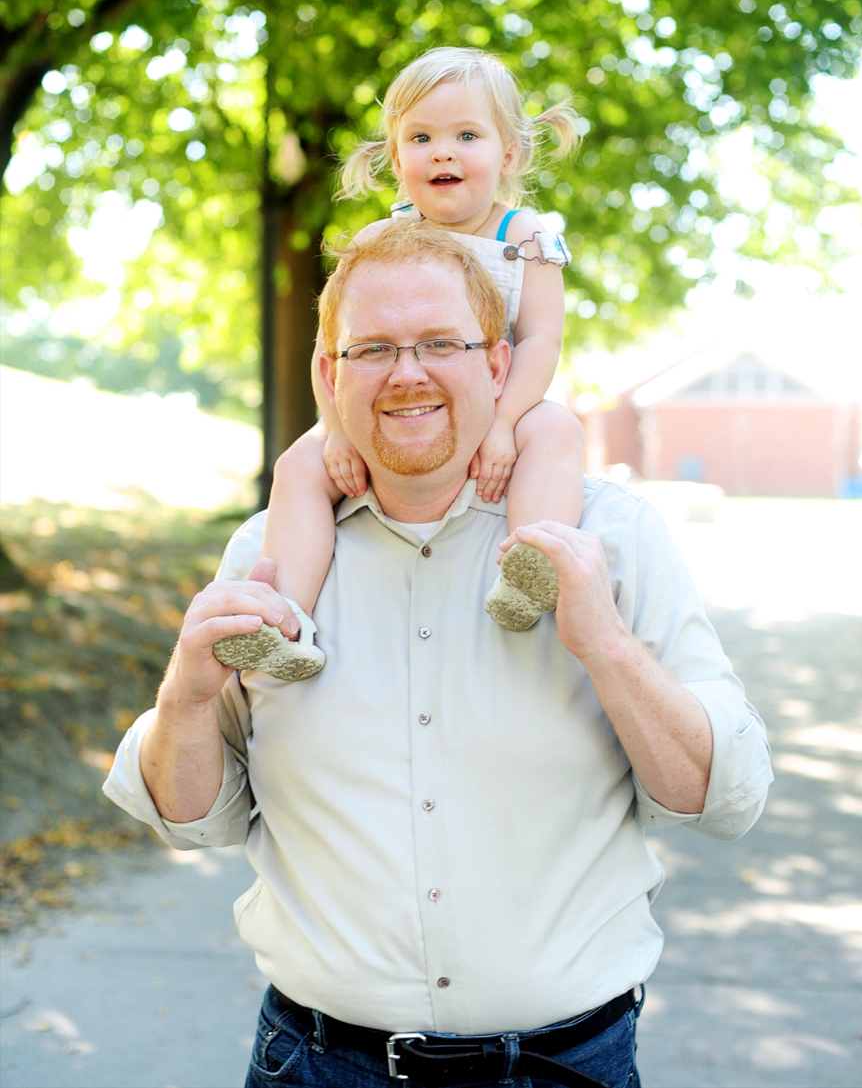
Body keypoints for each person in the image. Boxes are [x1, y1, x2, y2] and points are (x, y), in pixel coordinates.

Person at [104, 220, 773, 1088]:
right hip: (314, 1064)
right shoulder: (272, 556)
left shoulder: (610, 536)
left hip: (562, 1069)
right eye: (372, 347)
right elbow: (192, 817)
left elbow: (722, 797)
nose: (407, 372)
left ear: (498, 366)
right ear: (327, 374)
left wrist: (604, 644)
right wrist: (186, 701)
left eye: (439, 344)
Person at [213, 47, 587, 683]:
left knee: (558, 433)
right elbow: (331, 351)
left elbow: (541, 342)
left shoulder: (526, 240)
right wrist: (335, 430)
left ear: (509, 154)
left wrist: (504, 425)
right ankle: (284, 623)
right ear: (395, 159)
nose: (442, 151)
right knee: (298, 467)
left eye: (466, 134)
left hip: (503, 399)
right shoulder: (375, 245)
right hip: (398, 404)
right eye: (421, 137)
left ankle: (529, 570)